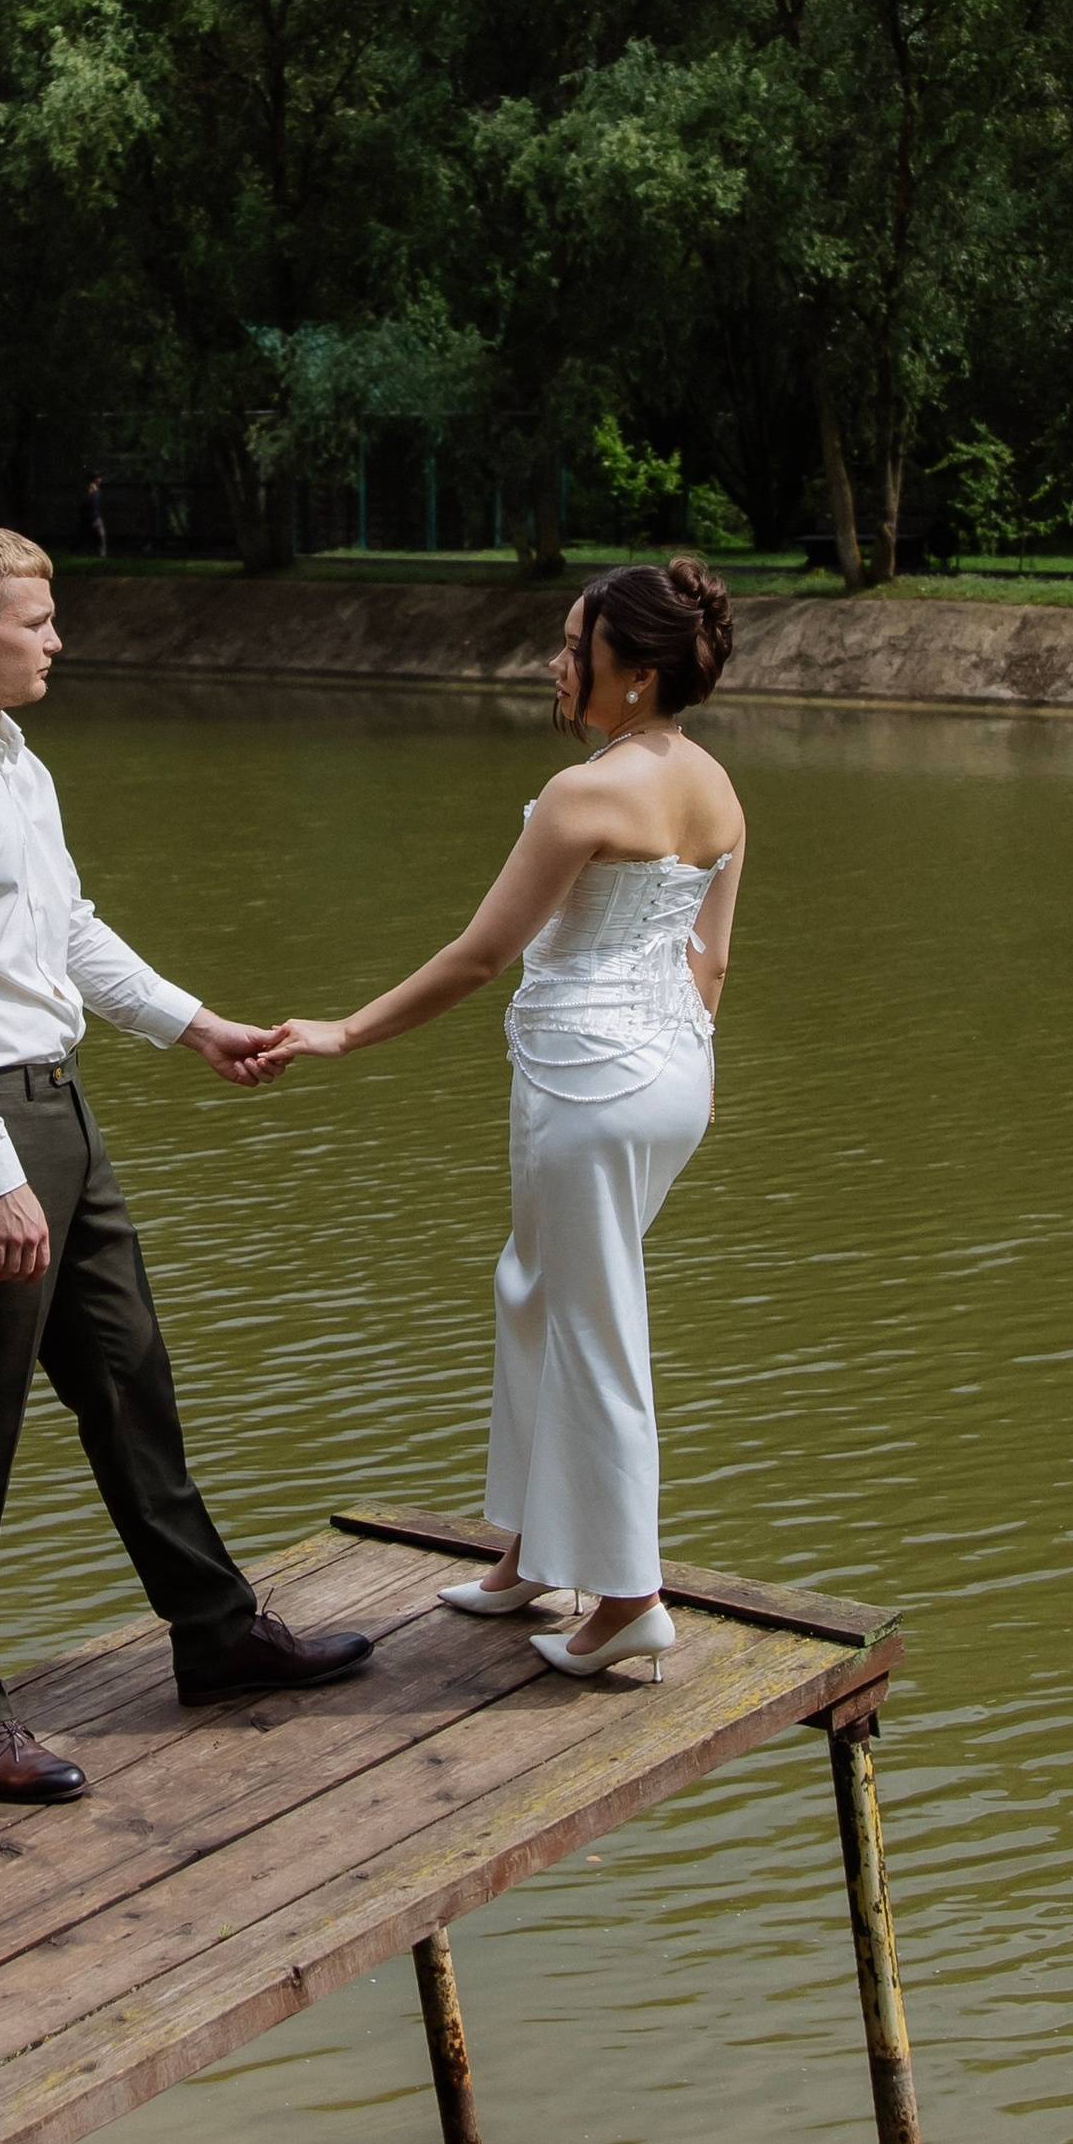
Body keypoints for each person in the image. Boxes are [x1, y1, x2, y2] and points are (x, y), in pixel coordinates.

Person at [0, 516, 373, 1801]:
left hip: (57, 1109)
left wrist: (195, 1025)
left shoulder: (15, 763)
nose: (58, 641)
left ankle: (216, 1634)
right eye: (37, 622)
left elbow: (68, 931)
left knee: (131, 1381)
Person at [255, 559, 742, 1679]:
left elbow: (481, 955)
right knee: (535, 1289)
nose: (554, 663)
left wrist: (344, 1033)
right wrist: (680, 1071)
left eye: (575, 648)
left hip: (588, 1083)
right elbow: (709, 963)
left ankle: (629, 1597)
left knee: (592, 1322)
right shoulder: (718, 786)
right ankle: (532, 1551)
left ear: (636, 672)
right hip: (664, 1074)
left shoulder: (582, 794)